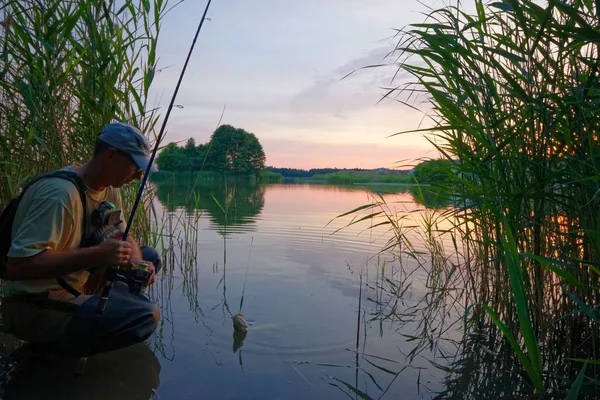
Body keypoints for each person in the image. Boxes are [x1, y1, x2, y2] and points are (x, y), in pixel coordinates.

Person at [0, 122, 162, 358]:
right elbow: (18, 266)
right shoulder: (59, 195)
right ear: (111, 156)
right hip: (36, 301)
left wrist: (138, 264)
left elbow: (123, 236)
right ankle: (44, 359)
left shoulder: (108, 187)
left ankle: (103, 308)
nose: (138, 176)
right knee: (144, 316)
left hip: (79, 282)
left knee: (149, 256)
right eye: (135, 167)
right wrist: (98, 255)